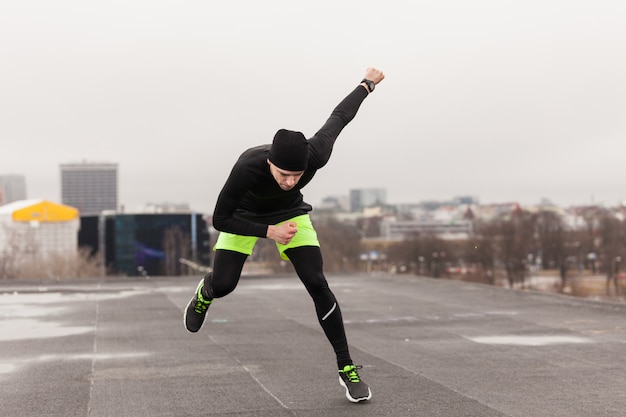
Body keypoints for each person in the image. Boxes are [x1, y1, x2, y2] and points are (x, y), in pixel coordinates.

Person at [184, 67, 385, 403]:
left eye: (297, 175)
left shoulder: (315, 153)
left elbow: (339, 117)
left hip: (290, 214)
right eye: (283, 174)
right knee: (225, 284)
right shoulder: (247, 168)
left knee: (316, 281)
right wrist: (268, 232)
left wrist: (367, 85)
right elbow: (220, 219)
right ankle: (205, 293)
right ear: (269, 163)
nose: (290, 180)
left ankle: (346, 367)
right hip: (243, 216)